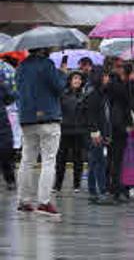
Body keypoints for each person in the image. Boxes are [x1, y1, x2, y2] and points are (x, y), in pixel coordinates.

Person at [16, 48, 67, 218]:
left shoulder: (21, 66)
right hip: (48, 118)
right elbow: (59, 88)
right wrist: (62, 73)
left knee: (27, 160)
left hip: (26, 118)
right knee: (48, 160)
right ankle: (44, 202)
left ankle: (23, 201)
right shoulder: (47, 65)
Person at [54, 72, 89, 193]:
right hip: (65, 129)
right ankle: (57, 184)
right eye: (75, 78)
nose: (77, 81)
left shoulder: (84, 95)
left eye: (79, 79)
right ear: (70, 80)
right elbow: (58, 109)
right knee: (61, 158)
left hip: (79, 130)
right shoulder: (63, 94)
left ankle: (76, 184)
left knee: (78, 159)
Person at [107, 62, 134, 202]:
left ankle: (121, 187)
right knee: (117, 158)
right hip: (117, 124)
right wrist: (129, 83)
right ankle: (116, 188)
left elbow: (131, 101)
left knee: (123, 158)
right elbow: (125, 99)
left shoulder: (125, 83)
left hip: (123, 122)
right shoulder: (114, 83)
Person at [86, 70, 113, 204]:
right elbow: (91, 116)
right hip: (95, 134)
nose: (108, 78)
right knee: (100, 162)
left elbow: (105, 117)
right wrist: (95, 132)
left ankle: (93, 191)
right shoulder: (94, 95)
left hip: (101, 133)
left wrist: (107, 133)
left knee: (94, 162)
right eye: (105, 76)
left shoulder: (102, 94)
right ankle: (101, 191)